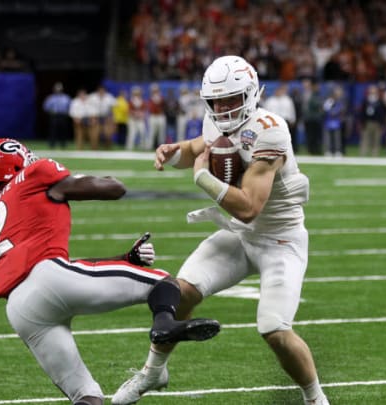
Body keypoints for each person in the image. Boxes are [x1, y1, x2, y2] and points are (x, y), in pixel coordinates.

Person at [113, 55, 329, 405]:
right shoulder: (216, 122)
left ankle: (315, 398)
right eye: (216, 101)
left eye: (231, 100)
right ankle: (153, 372)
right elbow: (198, 147)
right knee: (179, 292)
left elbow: (249, 207)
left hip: (280, 240)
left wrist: (202, 179)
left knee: (274, 330)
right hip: (241, 236)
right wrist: (174, 151)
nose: (224, 109)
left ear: (251, 95)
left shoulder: (270, 129)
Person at [0, 138, 221, 405]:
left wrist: (124, 259)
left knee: (87, 396)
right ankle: (165, 325)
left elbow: (64, 270)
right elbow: (114, 189)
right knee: (163, 284)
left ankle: (163, 329)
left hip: (21, 309)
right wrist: (105, 180)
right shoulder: (36, 173)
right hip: (50, 277)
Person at [358, 84, 386, 156]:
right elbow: (362, 113)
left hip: (377, 123)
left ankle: (375, 153)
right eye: (371, 90)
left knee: (377, 139)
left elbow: (383, 112)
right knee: (365, 138)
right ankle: (363, 152)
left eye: (374, 90)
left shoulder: (380, 101)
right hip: (368, 122)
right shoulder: (365, 101)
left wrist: (382, 123)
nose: (373, 92)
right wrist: (362, 122)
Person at [42, 82, 71, 149]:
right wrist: (51, 111)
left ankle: (63, 144)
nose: (58, 90)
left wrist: (67, 112)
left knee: (63, 130)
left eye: (59, 89)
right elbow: (46, 107)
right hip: (54, 116)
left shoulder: (66, 97)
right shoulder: (51, 98)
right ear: (54, 89)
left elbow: (69, 106)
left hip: (63, 116)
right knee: (53, 131)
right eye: (57, 89)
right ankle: (52, 144)